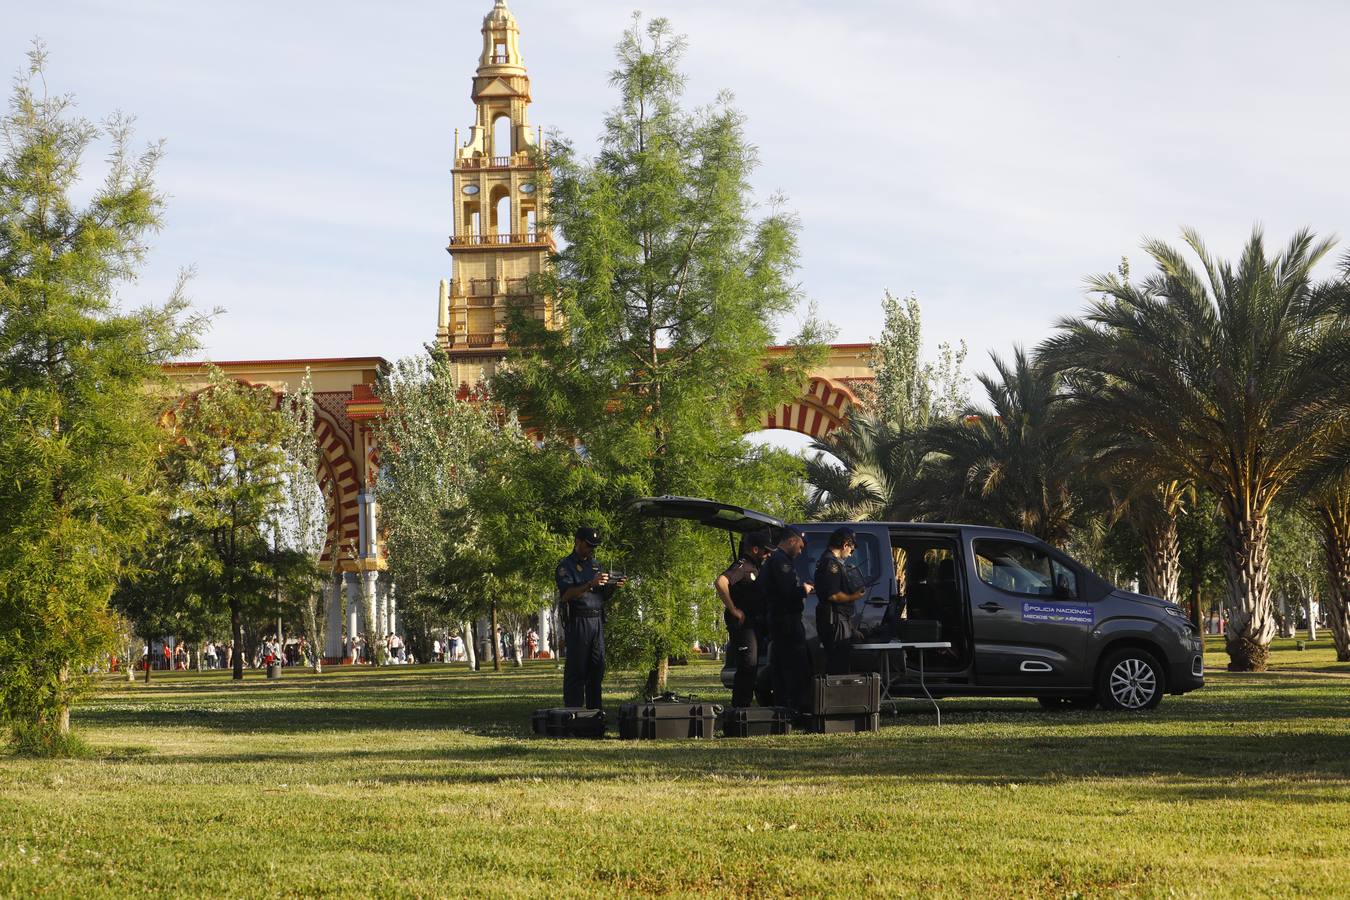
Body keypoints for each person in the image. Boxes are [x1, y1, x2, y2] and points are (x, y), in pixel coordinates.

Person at [555, 526, 625, 709]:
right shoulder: (566, 566)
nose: (591, 550)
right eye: (588, 545)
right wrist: (589, 584)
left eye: (594, 546)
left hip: (597, 621)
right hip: (579, 621)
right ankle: (574, 713)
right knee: (577, 670)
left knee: (597, 668)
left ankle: (595, 713)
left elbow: (601, 595)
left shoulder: (595, 565)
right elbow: (567, 595)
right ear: (578, 542)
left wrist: (613, 586)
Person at [714, 530, 774, 708]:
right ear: (755, 549)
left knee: (751, 667)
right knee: (747, 667)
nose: (768, 554)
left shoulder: (757, 567)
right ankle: (740, 710)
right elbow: (721, 582)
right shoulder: (743, 566)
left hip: (754, 624)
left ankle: (744, 708)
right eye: (766, 551)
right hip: (743, 625)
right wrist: (733, 609)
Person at [761, 526, 814, 711]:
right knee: (796, 668)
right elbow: (786, 592)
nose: (800, 552)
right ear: (791, 541)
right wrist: (804, 590)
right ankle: (797, 709)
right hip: (786, 621)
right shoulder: (781, 561)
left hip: (780, 620)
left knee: (781, 667)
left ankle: (783, 708)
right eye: (800, 547)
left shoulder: (775, 560)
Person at [814, 526, 867, 675]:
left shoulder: (830, 561)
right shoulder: (831, 564)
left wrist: (852, 629)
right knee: (838, 666)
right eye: (852, 549)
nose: (851, 554)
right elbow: (833, 595)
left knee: (840, 663)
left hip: (837, 619)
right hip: (834, 620)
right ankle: (835, 697)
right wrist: (854, 596)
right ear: (845, 545)